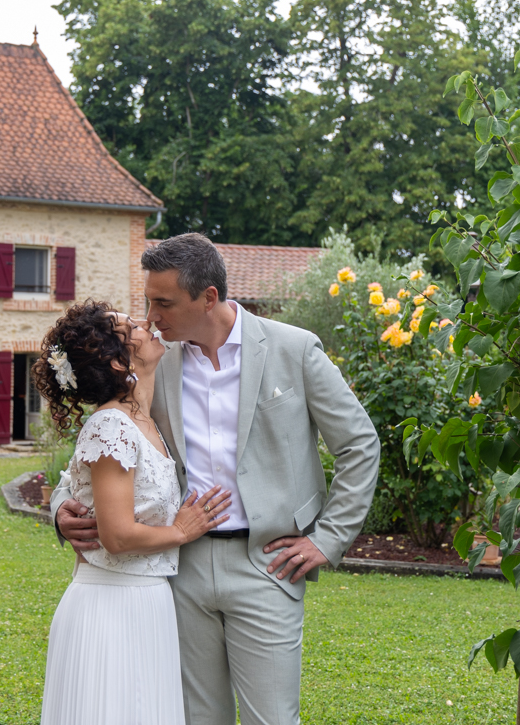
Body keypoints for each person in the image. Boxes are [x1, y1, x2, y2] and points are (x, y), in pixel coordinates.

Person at [52, 233, 381, 725]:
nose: (150, 317)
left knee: (273, 719)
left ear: (208, 297)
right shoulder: (153, 366)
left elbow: (360, 444)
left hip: (268, 564)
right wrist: (61, 508)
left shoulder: (294, 349)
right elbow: (99, 442)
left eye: (163, 303)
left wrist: (328, 540)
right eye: (147, 301)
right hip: (177, 569)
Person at [31, 300, 232, 725]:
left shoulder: (142, 421)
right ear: (119, 363)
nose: (147, 323)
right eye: (131, 326)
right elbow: (117, 536)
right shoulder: (111, 425)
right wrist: (181, 530)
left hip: (147, 601)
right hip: (111, 606)